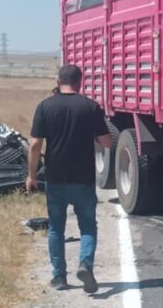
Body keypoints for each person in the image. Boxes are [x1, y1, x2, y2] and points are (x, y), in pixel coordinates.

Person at [25, 65, 112, 292]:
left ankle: (59, 277)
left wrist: (31, 176)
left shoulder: (45, 106)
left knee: (56, 228)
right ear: (80, 82)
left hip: (55, 178)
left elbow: (35, 145)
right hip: (83, 179)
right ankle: (85, 263)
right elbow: (106, 142)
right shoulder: (90, 107)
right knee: (88, 227)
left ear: (57, 80)